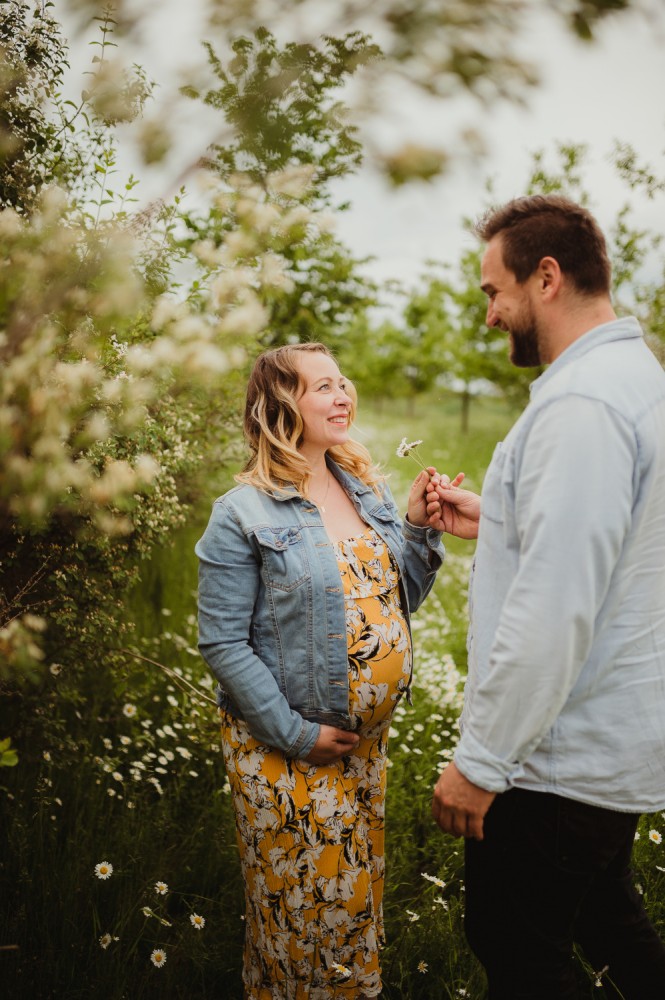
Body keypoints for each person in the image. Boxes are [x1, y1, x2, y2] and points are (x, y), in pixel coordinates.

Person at [427, 194, 665, 999]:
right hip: (606, 741)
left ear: (547, 277)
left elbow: (557, 602)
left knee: (514, 951)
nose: (490, 315)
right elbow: (610, 542)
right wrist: (497, 521)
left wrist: (482, 762)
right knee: (609, 926)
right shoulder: (636, 379)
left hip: (554, 758)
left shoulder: (580, 403)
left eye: (494, 292)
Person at [196, 342, 454, 999]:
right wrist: (295, 733)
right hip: (288, 749)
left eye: (343, 382)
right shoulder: (242, 513)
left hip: (362, 749)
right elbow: (222, 643)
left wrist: (421, 530)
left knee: (347, 901)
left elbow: (400, 598)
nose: (342, 396)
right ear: (279, 405)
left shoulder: (362, 487)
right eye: (321, 387)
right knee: (301, 909)